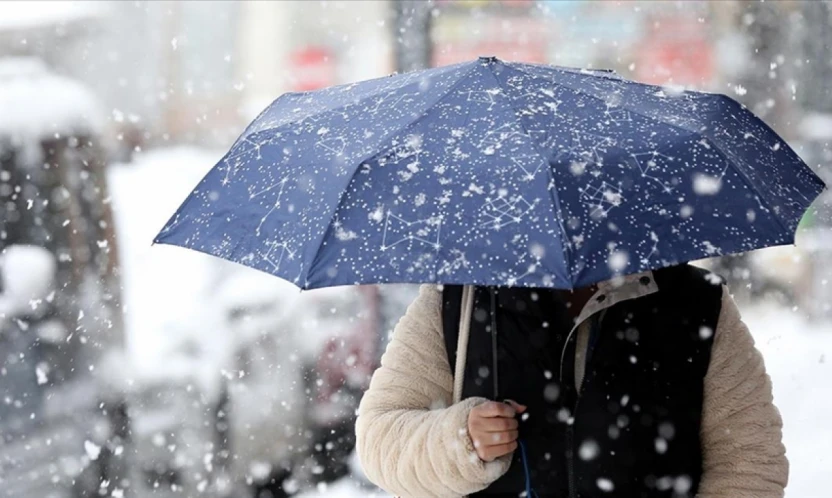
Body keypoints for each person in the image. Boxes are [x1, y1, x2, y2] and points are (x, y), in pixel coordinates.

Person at [355, 264, 787, 497]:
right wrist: (460, 440)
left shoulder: (694, 303)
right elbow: (380, 438)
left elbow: (749, 462)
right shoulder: (460, 300)